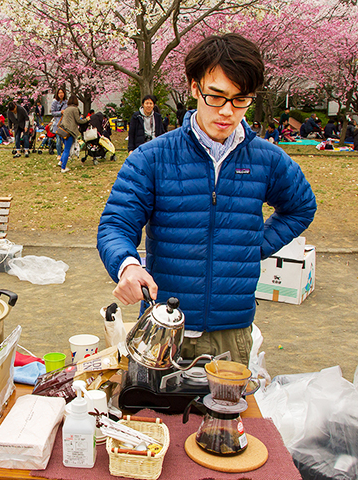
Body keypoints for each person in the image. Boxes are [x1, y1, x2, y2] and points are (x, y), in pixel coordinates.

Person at [97, 33, 317, 366]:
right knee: (152, 417)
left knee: (226, 417)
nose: (228, 112)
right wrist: (127, 265)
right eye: (216, 96)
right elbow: (116, 224)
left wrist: (254, 245)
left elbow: (300, 207)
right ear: (194, 87)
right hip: (162, 327)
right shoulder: (151, 157)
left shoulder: (267, 159)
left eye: (240, 100)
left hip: (232, 331)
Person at [58, 94, 89, 173]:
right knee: (67, 150)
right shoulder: (75, 109)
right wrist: (86, 119)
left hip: (62, 131)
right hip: (69, 132)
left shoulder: (67, 109)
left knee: (65, 149)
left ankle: (61, 162)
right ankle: (63, 168)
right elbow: (78, 121)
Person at [51, 87, 67, 163]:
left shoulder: (66, 102)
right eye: (59, 93)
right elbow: (52, 112)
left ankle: (66, 153)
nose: (61, 94)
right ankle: (58, 154)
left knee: (65, 139)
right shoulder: (54, 102)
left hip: (65, 124)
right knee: (58, 140)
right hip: (57, 123)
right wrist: (60, 112)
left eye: (62, 92)